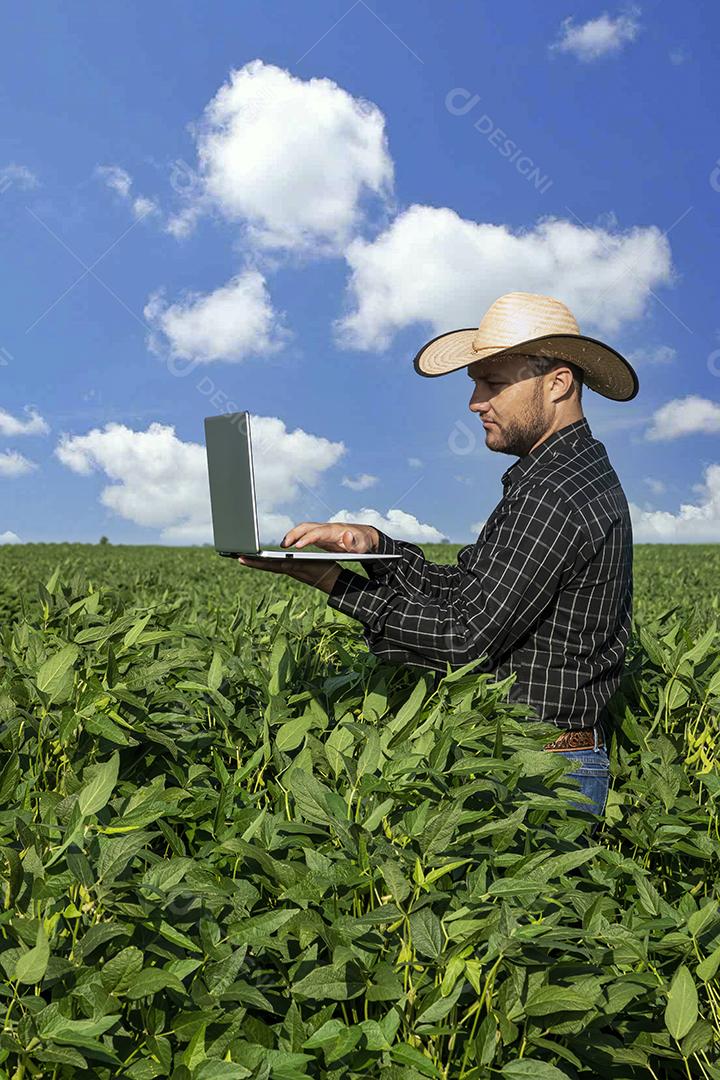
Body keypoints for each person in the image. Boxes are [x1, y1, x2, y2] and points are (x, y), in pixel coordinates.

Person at [237, 291, 639, 823]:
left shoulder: (554, 493)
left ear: (558, 383)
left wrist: (333, 582)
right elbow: (469, 593)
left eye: (493, 382)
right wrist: (375, 547)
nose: (475, 401)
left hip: (543, 772)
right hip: (539, 761)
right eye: (475, 383)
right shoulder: (560, 476)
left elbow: (464, 637)